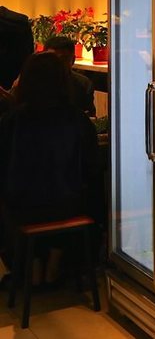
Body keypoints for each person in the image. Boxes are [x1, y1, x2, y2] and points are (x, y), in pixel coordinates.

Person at [0, 52, 101, 283]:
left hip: (21, 207)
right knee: (75, 199)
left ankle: (32, 262)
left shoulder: (12, 121)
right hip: (68, 205)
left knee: (22, 205)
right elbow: (92, 167)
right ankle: (56, 259)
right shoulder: (77, 119)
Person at [44, 36, 96, 117]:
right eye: (53, 59)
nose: (57, 64)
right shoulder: (36, 82)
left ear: (73, 60)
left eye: (63, 59)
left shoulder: (84, 84)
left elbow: (90, 115)